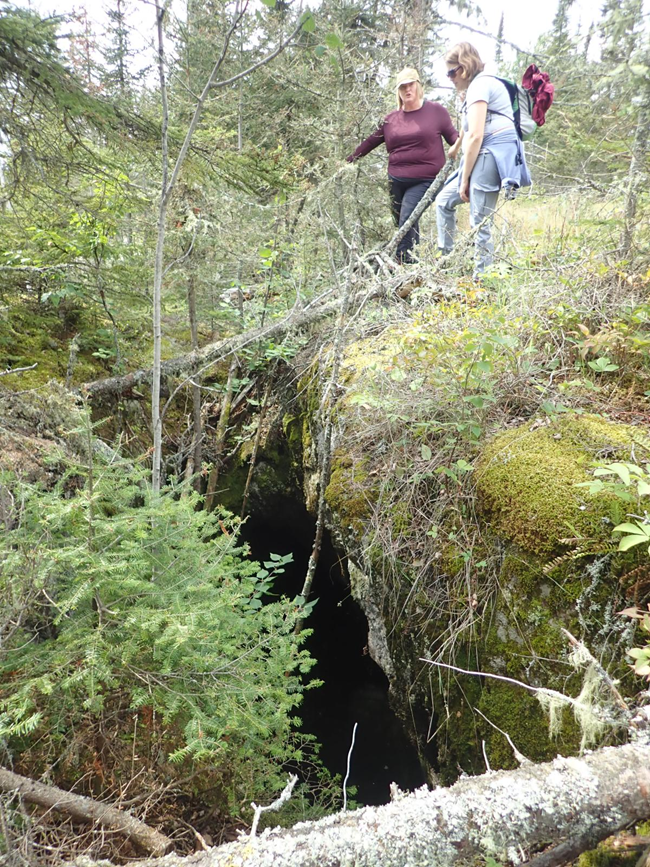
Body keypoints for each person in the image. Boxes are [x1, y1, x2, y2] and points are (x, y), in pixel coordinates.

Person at [436, 43, 531, 278]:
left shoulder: (480, 85)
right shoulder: (477, 88)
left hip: (493, 154)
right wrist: (456, 147)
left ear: (465, 67)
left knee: (480, 221)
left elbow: (477, 135)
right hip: (484, 152)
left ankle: (482, 283)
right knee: (443, 202)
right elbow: (469, 130)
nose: (450, 78)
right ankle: (445, 266)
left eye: (452, 72)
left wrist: (464, 178)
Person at [346, 67, 458, 264]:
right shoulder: (391, 120)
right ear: (398, 91)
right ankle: (413, 268)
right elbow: (370, 142)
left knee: (406, 220)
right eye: (403, 87)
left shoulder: (436, 112)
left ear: (418, 86)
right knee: (404, 225)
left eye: (411, 85)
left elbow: (455, 139)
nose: (408, 90)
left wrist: (472, 136)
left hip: (427, 179)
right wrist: (346, 162)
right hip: (396, 181)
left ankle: (402, 269)